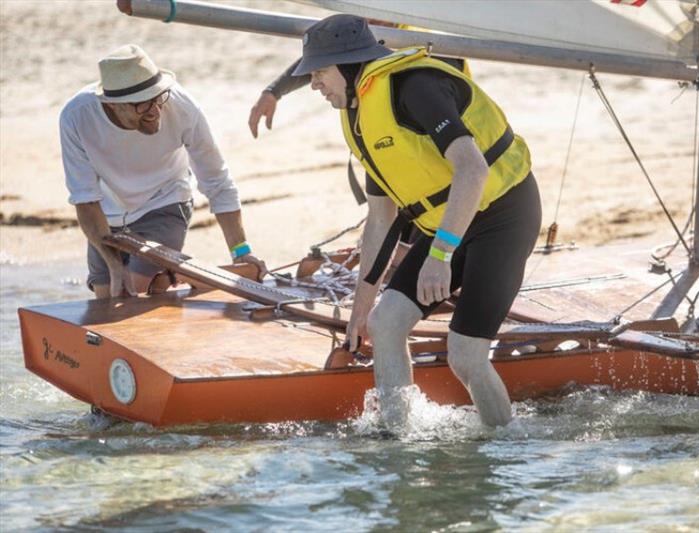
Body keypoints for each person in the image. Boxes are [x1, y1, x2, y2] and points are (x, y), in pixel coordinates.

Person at [292, 15, 542, 427]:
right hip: (452, 222)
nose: (314, 83)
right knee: (385, 324)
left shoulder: (413, 88)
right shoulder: (359, 113)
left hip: (503, 215)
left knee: (466, 354)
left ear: (349, 65)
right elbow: (379, 218)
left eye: (319, 72)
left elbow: (473, 169)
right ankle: (399, 440)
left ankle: (503, 445)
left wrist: (440, 255)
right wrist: (360, 310)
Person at [60, 44, 266, 298]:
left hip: (165, 202)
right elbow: (85, 198)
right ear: (113, 105)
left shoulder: (182, 106)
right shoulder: (76, 117)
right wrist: (113, 263)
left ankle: (164, 277)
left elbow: (217, 180)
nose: (156, 111)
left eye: (158, 97)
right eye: (142, 105)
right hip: (105, 216)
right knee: (106, 301)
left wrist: (241, 251)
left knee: (133, 293)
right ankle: (166, 283)